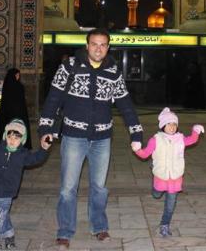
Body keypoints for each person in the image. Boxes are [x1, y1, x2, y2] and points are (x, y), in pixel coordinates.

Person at [38, 28, 143, 248]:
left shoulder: (113, 72)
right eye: (94, 44)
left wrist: (136, 132)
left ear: (108, 48)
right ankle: (65, 230)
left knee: (99, 187)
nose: (98, 48)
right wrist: (45, 128)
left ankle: (99, 226)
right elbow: (53, 98)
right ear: (87, 46)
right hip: (73, 136)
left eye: (103, 45)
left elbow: (125, 104)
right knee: (68, 188)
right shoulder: (69, 67)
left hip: (102, 139)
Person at [0, 119, 51, 250]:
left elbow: (36, 159)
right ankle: (9, 236)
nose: (12, 140)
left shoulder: (23, 155)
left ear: (22, 140)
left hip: (7, 192)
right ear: (5, 136)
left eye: (16, 138)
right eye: (10, 136)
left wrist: (43, 149)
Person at [133, 107, 204, 237]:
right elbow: (145, 154)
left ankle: (164, 225)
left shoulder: (180, 138)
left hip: (175, 176)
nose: (172, 127)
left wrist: (195, 130)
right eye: (169, 124)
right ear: (163, 125)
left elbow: (192, 140)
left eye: (174, 124)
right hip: (160, 175)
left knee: (170, 205)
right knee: (157, 195)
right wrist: (137, 149)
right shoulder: (155, 140)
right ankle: (155, 189)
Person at [0, 68, 32, 149]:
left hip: (5, 114)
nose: (18, 77)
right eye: (17, 75)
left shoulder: (6, 85)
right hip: (18, 113)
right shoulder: (19, 86)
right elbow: (21, 102)